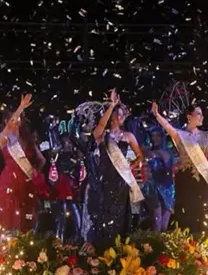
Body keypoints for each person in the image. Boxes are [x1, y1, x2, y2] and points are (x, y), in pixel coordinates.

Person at [152, 102, 208, 236]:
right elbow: (167, 126)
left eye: (202, 114)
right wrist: (157, 115)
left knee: (202, 210)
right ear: (189, 116)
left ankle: (203, 240)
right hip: (184, 178)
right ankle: (184, 243)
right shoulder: (180, 135)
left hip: (201, 178)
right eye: (198, 114)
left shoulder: (207, 136)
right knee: (184, 210)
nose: (202, 117)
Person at [85, 89, 144, 245]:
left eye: (123, 115)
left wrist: (130, 167)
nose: (122, 117)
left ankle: (120, 247)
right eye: (119, 114)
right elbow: (100, 126)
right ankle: (103, 246)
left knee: (121, 215)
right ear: (112, 117)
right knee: (104, 213)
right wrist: (111, 105)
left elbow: (140, 156)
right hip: (105, 180)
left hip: (121, 181)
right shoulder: (103, 135)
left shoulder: (128, 136)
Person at [0, 93, 47, 233]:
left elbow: (42, 160)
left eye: (19, 118)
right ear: (6, 121)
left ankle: (25, 243)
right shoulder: (3, 138)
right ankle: (9, 244)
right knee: (11, 216)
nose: (17, 120)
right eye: (13, 118)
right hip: (10, 182)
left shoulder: (28, 139)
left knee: (27, 216)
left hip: (27, 181)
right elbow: (10, 125)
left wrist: (36, 171)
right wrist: (21, 107)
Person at [48, 133, 86, 243]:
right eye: (66, 142)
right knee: (62, 220)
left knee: (77, 218)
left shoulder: (76, 156)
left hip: (73, 189)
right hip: (61, 190)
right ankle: (58, 242)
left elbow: (80, 173)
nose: (68, 145)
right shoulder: (58, 156)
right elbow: (53, 173)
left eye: (70, 142)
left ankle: (78, 240)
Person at [141, 126, 174, 232]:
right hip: (153, 187)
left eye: (157, 135)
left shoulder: (167, 152)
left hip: (167, 188)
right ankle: (155, 240)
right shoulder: (151, 151)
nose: (155, 138)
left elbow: (154, 155)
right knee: (156, 220)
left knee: (164, 223)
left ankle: (162, 241)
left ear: (162, 137)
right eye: (153, 136)